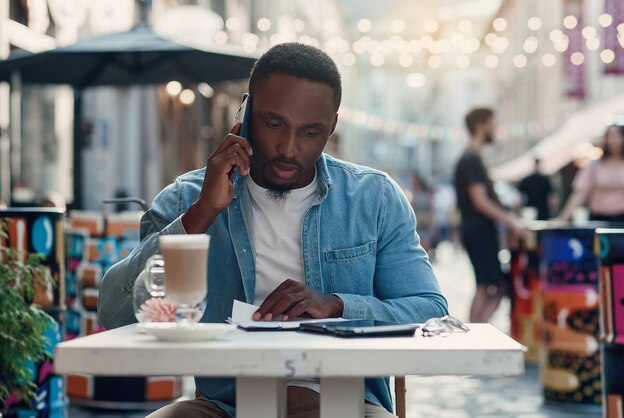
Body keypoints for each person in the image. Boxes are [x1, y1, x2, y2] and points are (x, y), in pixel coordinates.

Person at [98, 43, 448, 418]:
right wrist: (202, 214)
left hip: (348, 405)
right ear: (246, 112)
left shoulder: (373, 198)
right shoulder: (188, 197)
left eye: (310, 131)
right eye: (274, 123)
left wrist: (337, 305)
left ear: (332, 127)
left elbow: (431, 312)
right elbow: (115, 313)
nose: (288, 148)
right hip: (227, 406)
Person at [453, 107, 527, 324]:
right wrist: (511, 221)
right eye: (492, 124)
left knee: (491, 286)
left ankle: (477, 331)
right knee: (488, 286)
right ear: (480, 126)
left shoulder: (471, 158)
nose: (496, 128)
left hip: (477, 230)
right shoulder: (471, 159)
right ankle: (476, 333)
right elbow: (480, 200)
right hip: (478, 230)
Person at [557, 124, 624, 223]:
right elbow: (580, 193)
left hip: (623, 219)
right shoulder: (595, 165)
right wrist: (562, 219)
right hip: (598, 218)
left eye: (617, 136)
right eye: (610, 136)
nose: (613, 141)